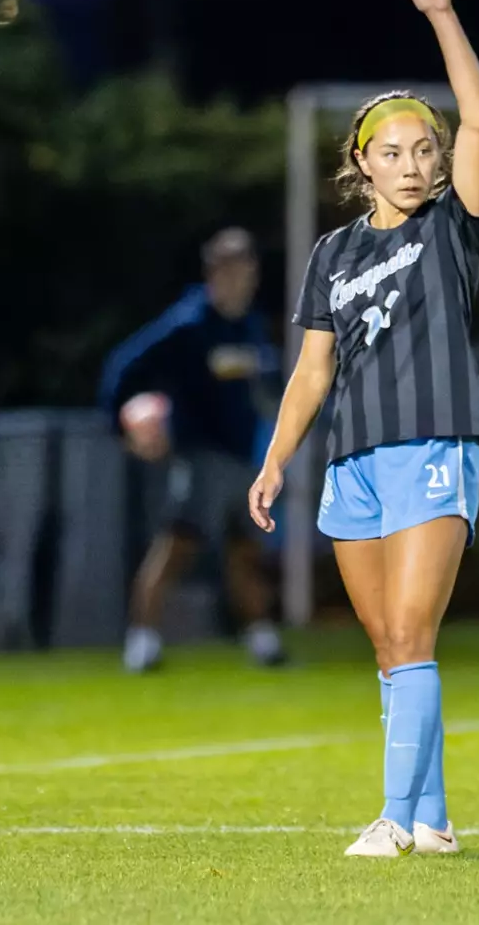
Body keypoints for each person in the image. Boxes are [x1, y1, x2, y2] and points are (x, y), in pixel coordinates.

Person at [248, 0, 479, 858]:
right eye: (389, 150)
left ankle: (393, 818)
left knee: (411, 627)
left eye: (421, 148)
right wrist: (275, 459)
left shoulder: (451, 230)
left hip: (435, 441)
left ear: (437, 165)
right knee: (387, 647)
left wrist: (439, 14)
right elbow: (313, 372)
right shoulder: (331, 255)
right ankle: (430, 820)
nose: (409, 161)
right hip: (352, 459)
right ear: (362, 162)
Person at [99, 226, 286, 673]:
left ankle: (262, 638)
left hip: (244, 457)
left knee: (244, 549)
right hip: (201, 456)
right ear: (215, 271)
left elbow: (263, 384)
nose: (242, 276)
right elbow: (124, 368)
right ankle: (141, 641)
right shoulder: (189, 324)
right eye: (232, 267)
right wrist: (123, 425)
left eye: (247, 267)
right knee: (178, 546)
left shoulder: (250, 326)